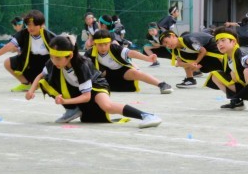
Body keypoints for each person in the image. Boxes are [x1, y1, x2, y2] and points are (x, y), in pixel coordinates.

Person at [26, 34, 162, 128]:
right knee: (44, 82)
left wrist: (65, 101)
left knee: (107, 106)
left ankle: (147, 116)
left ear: (70, 55)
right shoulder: (53, 63)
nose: (54, 61)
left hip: (96, 85)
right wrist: (31, 91)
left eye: (58, 58)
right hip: (77, 88)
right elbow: (40, 76)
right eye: (52, 57)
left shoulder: (82, 65)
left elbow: (86, 97)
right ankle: (72, 110)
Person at [205, 27, 248, 112]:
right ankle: (237, 101)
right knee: (215, 75)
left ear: (233, 42)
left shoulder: (239, 51)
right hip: (243, 88)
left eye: (223, 40)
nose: (220, 44)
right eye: (217, 42)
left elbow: (247, 59)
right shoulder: (226, 57)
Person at [0, 10, 57, 92]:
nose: (31, 28)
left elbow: (62, 47)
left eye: (34, 25)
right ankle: (26, 84)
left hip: (47, 62)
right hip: (30, 62)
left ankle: (50, 83)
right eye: (29, 25)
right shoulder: (23, 34)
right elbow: (10, 45)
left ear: (41, 25)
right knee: (7, 62)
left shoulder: (49, 35)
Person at [86, 29, 172, 94]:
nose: (103, 47)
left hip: (122, 71)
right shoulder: (89, 53)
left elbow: (131, 53)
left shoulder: (114, 48)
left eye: (106, 44)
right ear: (94, 44)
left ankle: (161, 84)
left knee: (136, 73)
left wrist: (147, 58)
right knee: (95, 73)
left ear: (110, 43)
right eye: (100, 45)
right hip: (105, 75)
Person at [159, 30, 225, 88]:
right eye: (165, 45)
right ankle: (190, 79)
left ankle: (227, 73)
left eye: (166, 42)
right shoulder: (174, 49)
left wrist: (195, 62)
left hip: (210, 43)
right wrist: (190, 64)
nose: (167, 46)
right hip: (202, 52)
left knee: (220, 57)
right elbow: (179, 63)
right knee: (184, 58)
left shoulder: (188, 40)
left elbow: (203, 51)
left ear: (173, 36)